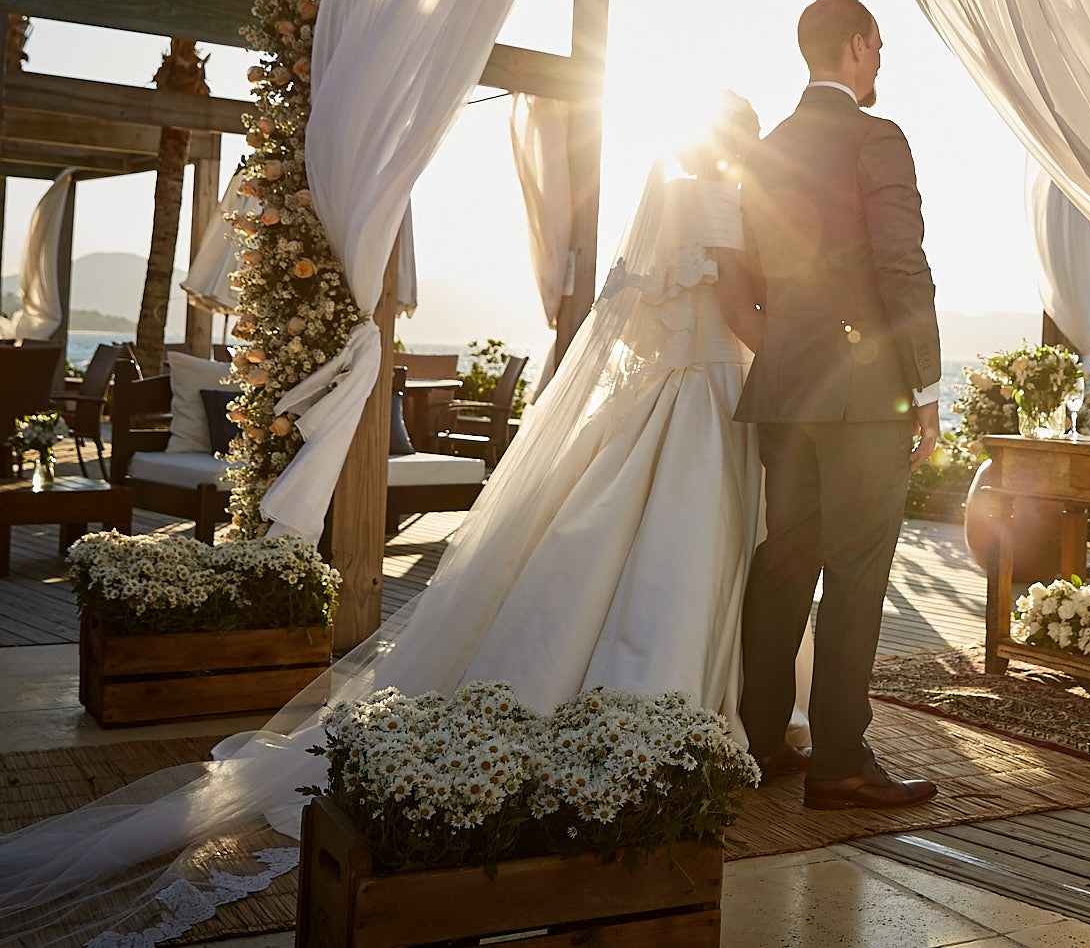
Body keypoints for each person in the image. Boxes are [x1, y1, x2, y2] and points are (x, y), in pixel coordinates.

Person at [0, 100, 810, 945]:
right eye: (750, 135)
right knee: (692, 558)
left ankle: (674, 721)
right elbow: (741, 317)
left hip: (673, 396)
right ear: (736, 141)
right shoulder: (720, 202)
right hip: (715, 401)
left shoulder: (676, 199)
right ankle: (680, 724)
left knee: (638, 554)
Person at [728, 0, 944, 811]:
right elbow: (901, 266)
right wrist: (924, 390)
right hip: (861, 397)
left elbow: (749, 283)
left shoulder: (767, 150)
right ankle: (840, 761)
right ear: (855, 45)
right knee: (855, 573)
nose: (881, 59)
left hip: (785, 390)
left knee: (785, 561)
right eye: (879, 45)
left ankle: (757, 741)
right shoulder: (877, 138)